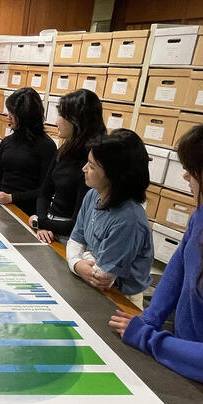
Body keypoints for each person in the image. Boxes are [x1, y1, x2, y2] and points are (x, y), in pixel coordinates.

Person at [109, 113, 203, 397]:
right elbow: (178, 268)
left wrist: (149, 338)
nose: (186, 174)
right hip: (182, 353)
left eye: (196, 168)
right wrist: (149, 320)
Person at [66, 129, 153, 309]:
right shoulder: (92, 195)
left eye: (91, 166)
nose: (84, 169)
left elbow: (102, 277)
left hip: (122, 298)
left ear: (113, 174)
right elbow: (75, 238)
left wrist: (79, 260)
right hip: (88, 278)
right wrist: (77, 263)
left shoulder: (128, 219)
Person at [29, 89, 106, 244]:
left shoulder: (93, 163)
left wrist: (39, 223)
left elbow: (78, 223)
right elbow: (44, 192)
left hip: (70, 237)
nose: (57, 121)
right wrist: (42, 223)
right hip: (49, 227)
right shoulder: (64, 150)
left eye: (62, 116)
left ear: (77, 121)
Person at [0, 88, 57, 215]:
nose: (8, 116)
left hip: (25, 212)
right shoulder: (7, 141)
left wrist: (11, 198)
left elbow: (44, 190)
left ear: (24, 115)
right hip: (1, 206)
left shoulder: (47, 146)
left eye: (11, 113)